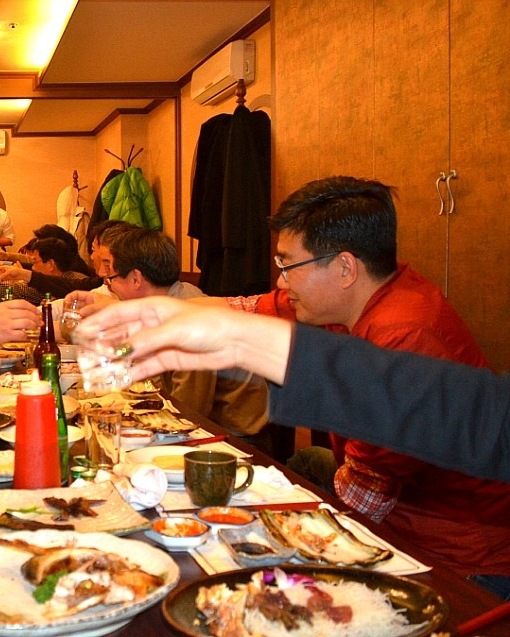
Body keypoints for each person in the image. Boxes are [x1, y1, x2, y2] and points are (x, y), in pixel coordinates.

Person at [215, 176, 509, 585]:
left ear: (344, 268)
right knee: (297, 467)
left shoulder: (405, 335)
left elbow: (364, 497)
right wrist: (168, 311)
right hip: (388, 503)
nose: (281, 281)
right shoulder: (359, 293)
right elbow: (248, 309)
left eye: (287, 266)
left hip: (455, 559)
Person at [80, 298, 510, 485]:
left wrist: (238, 339)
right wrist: (234, 336)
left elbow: (479, 422)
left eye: (289, 265)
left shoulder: (404, 326)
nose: (285, 281)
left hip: (461, 553)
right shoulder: (330, 302)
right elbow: (490, 414)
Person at [74, 225, 270, 451]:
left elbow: (187, 412)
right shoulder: (174, 300)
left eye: (112, 278)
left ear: (136, 279)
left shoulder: (188, 322)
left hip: (236, 439)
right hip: (208, 426)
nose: (108, 286)